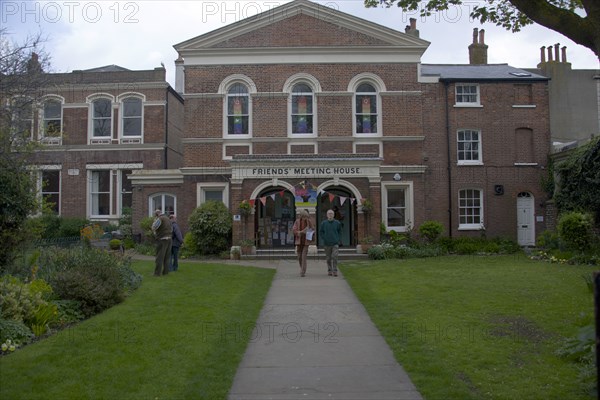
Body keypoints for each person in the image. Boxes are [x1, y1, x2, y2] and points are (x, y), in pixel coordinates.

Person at [319, 209, 342, 277]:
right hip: (327, 243)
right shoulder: (323, 223)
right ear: (326, 215)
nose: (330, 215)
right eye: (329, 214)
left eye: (331, 213)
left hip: (335, 243)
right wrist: (324, 238)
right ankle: (329, 270)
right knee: (328, 258)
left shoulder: (337, 223)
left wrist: (338, 239)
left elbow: (340, 232)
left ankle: (335, 270)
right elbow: (321, 232)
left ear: (334, 215)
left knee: (335, 256)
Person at [292, 209, 314, 277]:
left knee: (304, 257)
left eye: (306, 217)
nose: (305, 218)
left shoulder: (308, 221)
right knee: (299, 257)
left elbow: (313, 229)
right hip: (299, 241)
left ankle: (303, 271)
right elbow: (294, 230)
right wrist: (302, 232)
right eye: (304, 217)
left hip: (306, 241)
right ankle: (302, 268)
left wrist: (310, 231)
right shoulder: (297, 221)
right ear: (301, 216)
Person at [152, 209, 172, 276]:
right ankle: (165, 272)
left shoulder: (160, 219)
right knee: (167, 257)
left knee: (159, 257)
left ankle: (157, 273)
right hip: (169, 239)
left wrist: (154, 222)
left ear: (157, 214)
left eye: (155, 214)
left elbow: (154, 227)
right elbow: (171, 229)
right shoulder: (168, 218)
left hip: (162, 239)